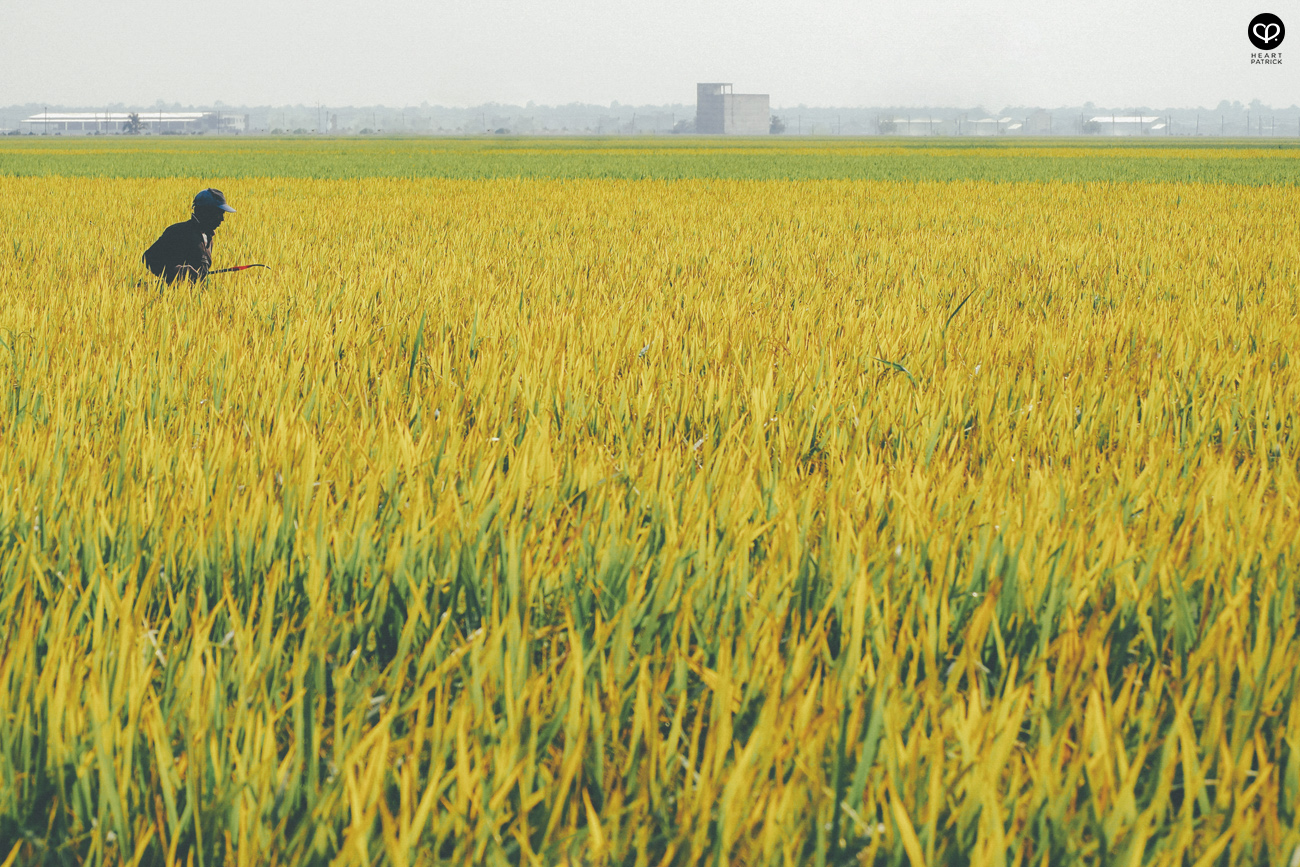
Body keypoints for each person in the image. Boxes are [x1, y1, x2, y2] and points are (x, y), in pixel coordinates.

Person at [143, 188, 236, 284]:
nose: (222, 219)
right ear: (205, 212)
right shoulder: (179, 232)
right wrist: (177, 270)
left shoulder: (209, 239)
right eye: (219, 214)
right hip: (172, 292)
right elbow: (149, 258)